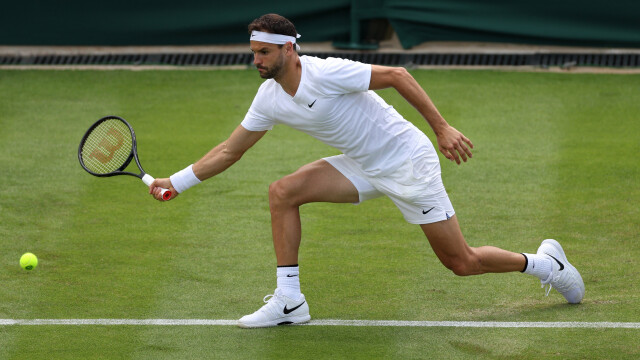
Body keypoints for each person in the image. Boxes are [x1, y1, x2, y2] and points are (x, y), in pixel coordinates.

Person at [150, 13, 585, 328]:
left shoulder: (327, 72)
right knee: (283, 192)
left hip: (407, 163)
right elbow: (229, 150)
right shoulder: (269, 98)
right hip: (361, 165)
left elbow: (397, 73)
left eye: (263, 52)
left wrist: (442, 128)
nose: (256, 61)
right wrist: (178, 183)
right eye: (253, 53)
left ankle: (545, 264)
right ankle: (289, 301)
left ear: (288, 49)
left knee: (461, 262)